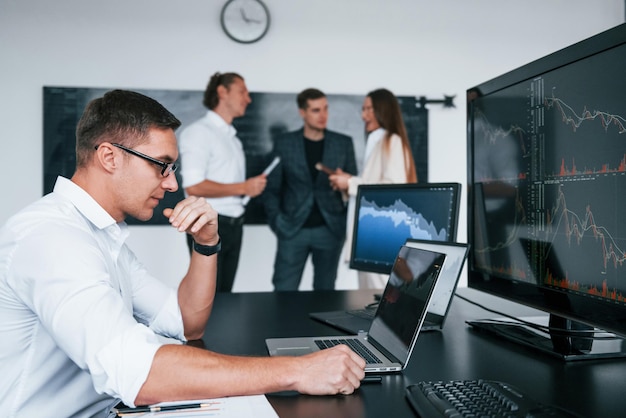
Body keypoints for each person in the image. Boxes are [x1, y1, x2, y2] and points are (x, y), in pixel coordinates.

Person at [0, 90, 366, 418]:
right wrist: (298, 370)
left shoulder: (102, 236)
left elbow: (186, 322)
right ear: (109, 157)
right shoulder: (52, 238)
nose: (173, 183)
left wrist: (206, 243)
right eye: (161, 165)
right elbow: (139, 373)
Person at [178, 72, 266, 292]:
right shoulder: (198, 132)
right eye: (242, 91)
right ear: (222, 92)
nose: (248, 98)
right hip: (211, 226)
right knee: (207, 298)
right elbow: (194, 186)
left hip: (235, 226)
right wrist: (244, 187)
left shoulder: (233, 138)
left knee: (225, 297)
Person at [264, 88, 357, 291]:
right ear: (302, 112)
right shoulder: (285, 143)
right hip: (291, 229)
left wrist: (344, 184)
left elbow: (353, 189)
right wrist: (278, 223)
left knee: (325, 294)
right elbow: (272, 189)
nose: (323, 115)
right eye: (316, 110)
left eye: (325, 109)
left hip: (330, 229)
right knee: (283, 290)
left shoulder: (343, 143)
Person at [329, 88, 418, 289]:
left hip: (379, 236)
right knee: (369, 294)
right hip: (372, 235)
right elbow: (375, 182)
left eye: (369, 109)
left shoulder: (391, 141)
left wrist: (350, 183)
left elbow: (392, 190)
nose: (363, 115)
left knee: (376, 295)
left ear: (383, 110)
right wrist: (348, 182)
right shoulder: (378, 141)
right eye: (363, 109)